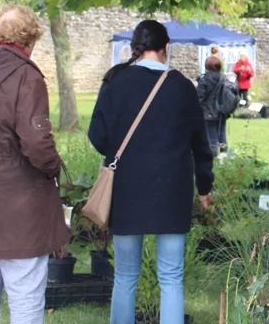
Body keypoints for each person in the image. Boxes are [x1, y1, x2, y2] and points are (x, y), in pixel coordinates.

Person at [88, 20, 214, 324]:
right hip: (172, 191)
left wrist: (119, 152)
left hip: (127, 189)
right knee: (171, 277)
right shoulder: (183, 87)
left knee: (125, 275)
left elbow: (97, 134)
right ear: (166, 47)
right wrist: (205, 187)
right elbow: (201, 144)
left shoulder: (115, 81)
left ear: (134, 48)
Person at [0, 5, 69, 324]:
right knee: (25, 293)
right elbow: (36, 143)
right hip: (20, 203)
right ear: (30, 39)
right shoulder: (25, 74)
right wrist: (53, 168)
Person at [197, 56, 229, 154]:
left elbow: (199, 98)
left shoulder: (204, 79)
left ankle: (213, 158)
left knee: (212, 137)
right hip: (222, 111)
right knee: (222, 134)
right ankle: (224, 157)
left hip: (208, 113)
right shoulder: (224, 78)